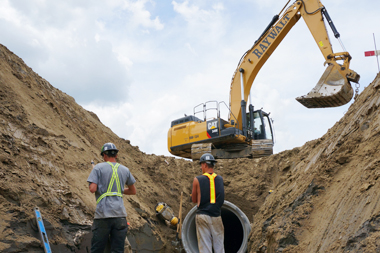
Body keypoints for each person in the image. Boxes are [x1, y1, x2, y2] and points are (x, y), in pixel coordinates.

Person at [87, 142, 136, 253]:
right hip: (120, 217)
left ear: (104, 155)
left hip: (103, 216)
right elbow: (133, 191)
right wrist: (116, 190)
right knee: (118, 250)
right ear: (116, 155)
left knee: (97, 250)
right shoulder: (125, 170)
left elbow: (92, 189)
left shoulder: (98, 168)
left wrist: (94, 179)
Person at [191, 153, 225, 253]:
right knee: (219, 247)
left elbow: (194, 200)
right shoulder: (220, 179)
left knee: (205, 247)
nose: (201, 167)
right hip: (216, 216)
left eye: (201, 165)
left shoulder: (197, 179)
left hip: (202, 216)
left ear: (205, 165)